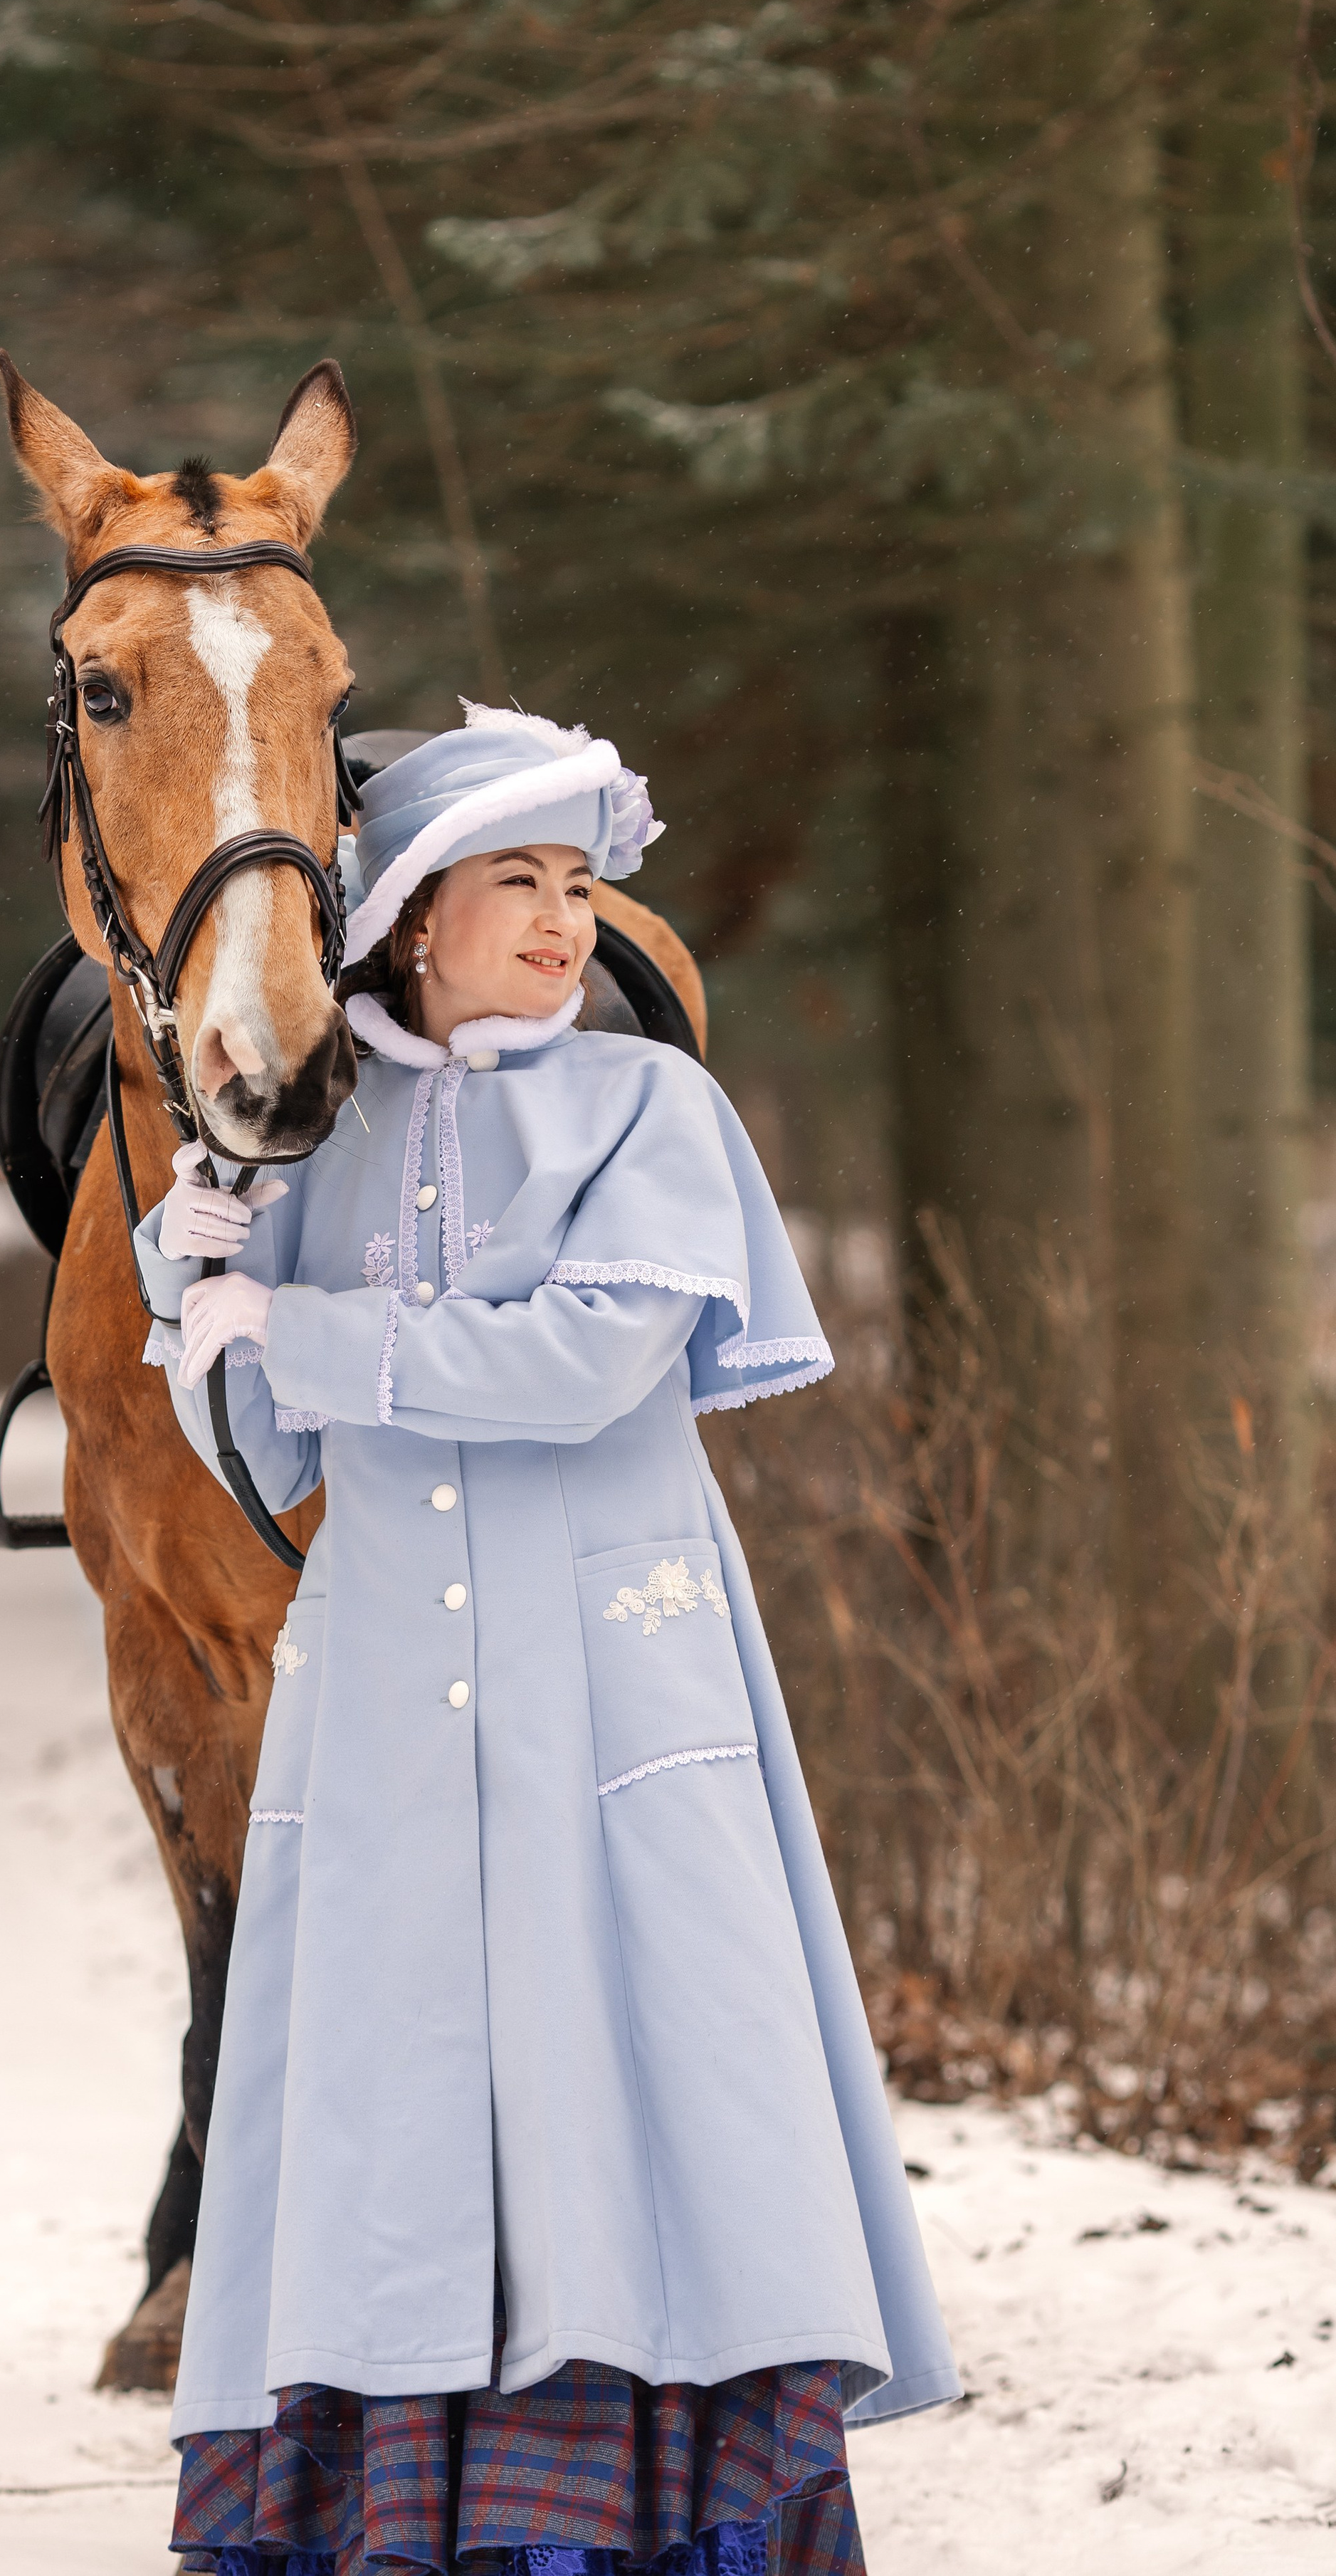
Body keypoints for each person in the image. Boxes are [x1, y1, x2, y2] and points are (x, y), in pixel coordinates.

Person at [134, 706, 958, 2576]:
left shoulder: (648, 1109)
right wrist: (202, 1285)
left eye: (580, 885)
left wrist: (302, 1327)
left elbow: (598, 1358)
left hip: (615, 1692)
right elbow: (262, 1450)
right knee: (386, 2101)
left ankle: (630, 2517)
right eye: (520, 882)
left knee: (639, 2081)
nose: (566, 921)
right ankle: (386, 2506)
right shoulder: (312, 1140)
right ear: (414, 914)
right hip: (385, 1729)